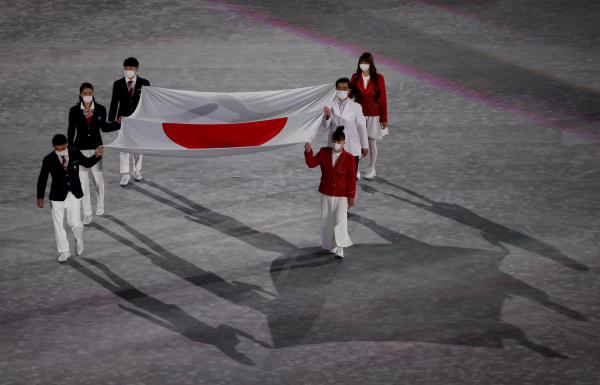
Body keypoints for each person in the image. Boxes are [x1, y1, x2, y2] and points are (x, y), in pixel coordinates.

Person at [37, 134, 103, 263]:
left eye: (62, 148)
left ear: (66, 144)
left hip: (73, 194)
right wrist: (40, 196)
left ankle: (78, 239)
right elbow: (43, 178)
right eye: (58, 149)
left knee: (75, 223)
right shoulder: (48, 159)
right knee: (58, 224)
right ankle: (64, 251)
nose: (61, 151)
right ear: (53, 147)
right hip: (57, 196)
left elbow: (87, 163)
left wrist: (96, 156)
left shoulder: (75, 153)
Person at [68, 82, 120, 225]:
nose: (87, 95)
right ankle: (87, 214)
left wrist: (118, 123)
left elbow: (104, 127)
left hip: (97, 149)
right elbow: (71, 131)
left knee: (98, 179)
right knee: (83, 184)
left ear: (93, 94)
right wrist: (71, 151)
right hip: (80, 150)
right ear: (80, 94)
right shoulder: (73, 111)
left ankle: (100, 204)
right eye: (85, 93)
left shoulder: (100, 109)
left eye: (90, 93)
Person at [304, 126, 357, 258]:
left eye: (339, 142)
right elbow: (312, 164)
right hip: (326, 191)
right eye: (334, 140)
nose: (336, 144)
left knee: (340, 220)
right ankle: (331, 245)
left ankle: (340, 247)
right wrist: (308, 151)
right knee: (327, 220)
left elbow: (352, 179)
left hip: (342, 194)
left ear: (343, 143)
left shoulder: (349, 158)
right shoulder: (323, 152)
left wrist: (351, 196)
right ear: (331, 140)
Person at [108, 57, 151, 186]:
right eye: (126, 68)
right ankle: (125, 174)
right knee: (124, 147)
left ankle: (137, 170)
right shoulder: (118, 84)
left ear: (136, 69)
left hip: (139, 119)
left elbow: (148, 101)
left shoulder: (145, 83)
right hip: (124, 119)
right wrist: (111, 120)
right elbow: (114, 102)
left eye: (131, 68)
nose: (128, 71)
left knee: (138, 146)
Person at [350, 52, 388, 180]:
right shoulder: (355, 77)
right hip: (359, 113)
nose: (364, 65)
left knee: (371, 142)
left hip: (373, 114)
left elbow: (382, 99)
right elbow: (349, 95)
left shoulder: (378, 78)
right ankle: (357, 169)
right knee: (358, 142)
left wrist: (384, 119)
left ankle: (372, 169)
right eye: (362, 63)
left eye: (366, 63)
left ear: (370, 64)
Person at [323, 78, 368, 180]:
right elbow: (326, 126)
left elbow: (362, 128)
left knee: (350, 179)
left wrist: (365, 146)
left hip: (351, 148)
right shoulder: (330, 105)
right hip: (335, 147)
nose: (341, 91)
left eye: (344, 88)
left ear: (349, 90)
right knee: (335, 178)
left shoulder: (356, 107)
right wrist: (328, 116)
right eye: (339, 88)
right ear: (336, 89)